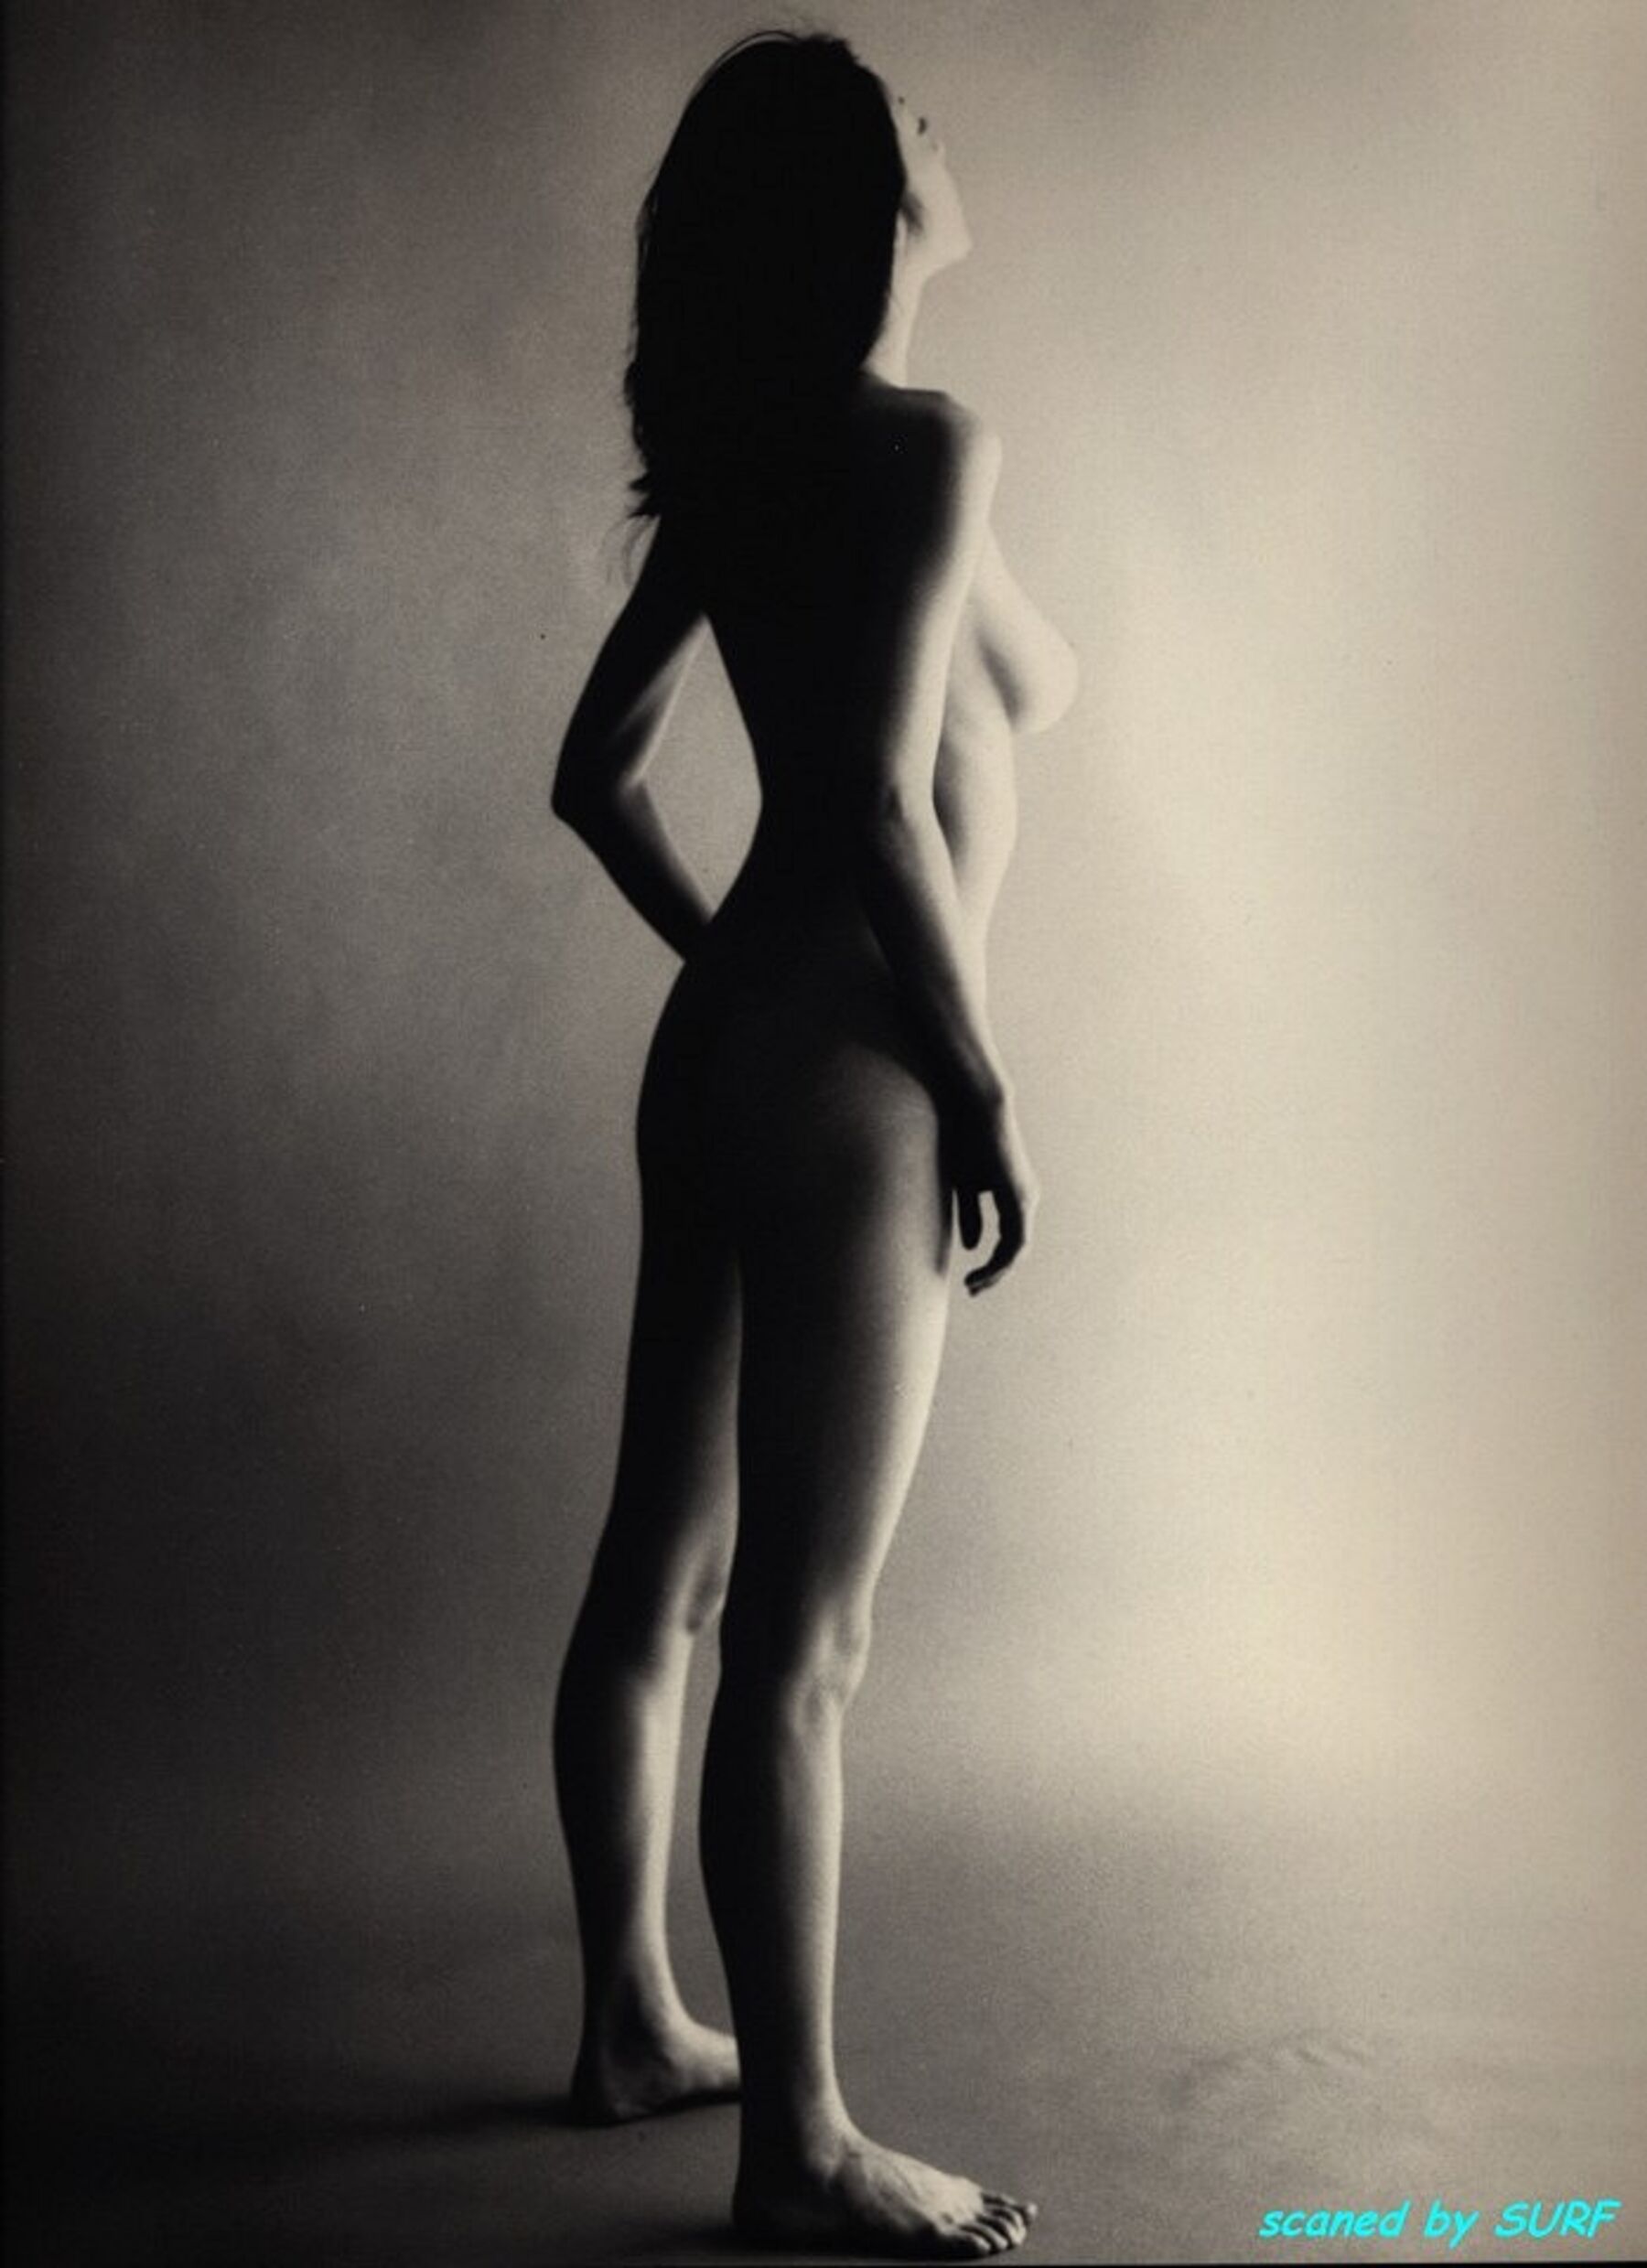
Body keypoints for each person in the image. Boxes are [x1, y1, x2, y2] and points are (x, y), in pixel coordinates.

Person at [551, 30, 1076, 2260]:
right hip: (860, 1069)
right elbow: (870, 795)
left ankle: (630, 2024)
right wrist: (978, 1079)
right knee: (805, 1636)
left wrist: (736, 970)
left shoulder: (781, 465)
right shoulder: (924, 446)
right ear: (867, 196)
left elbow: (595, 771)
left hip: (726, 1051)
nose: (944, 126)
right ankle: (803, 2149)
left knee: (660, 1578)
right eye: (911, 115)